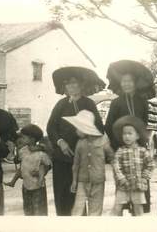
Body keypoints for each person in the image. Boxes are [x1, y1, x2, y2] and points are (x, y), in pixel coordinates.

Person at [47, 66, 105, 216]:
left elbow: (99, 128)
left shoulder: (88, 104)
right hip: (62, 157)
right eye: (68, 83)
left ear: (81, 85)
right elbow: (51, 128)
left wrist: (85, 133)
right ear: (65, 87)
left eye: (75, 83)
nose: (72, 86)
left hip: (82, 158)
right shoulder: (61, 105)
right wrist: (60, 142)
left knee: (79, 197)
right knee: (61, 193)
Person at [105, 60, 155, 214]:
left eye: (129, 81)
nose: (126, 84)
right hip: (121, 147)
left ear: (135, 83)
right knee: (122, 183)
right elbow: (108, 125)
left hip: (138, 148)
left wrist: (140, 141)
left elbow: (144, 123)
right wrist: (117, 144)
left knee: (140, 182)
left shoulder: (143, 102)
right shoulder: (116, 102)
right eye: (123, 81)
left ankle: (138, 212)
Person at [61, 110, 114, 216]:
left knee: (96, 208)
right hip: (82, 181)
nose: (76, 131)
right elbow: (76, 164)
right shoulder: (80, 143)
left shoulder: (103, 141)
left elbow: (112, 158)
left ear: (85, 128)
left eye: (78, 128)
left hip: (98, 181)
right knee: (77, 208)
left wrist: (117, 173)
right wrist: (74, 181)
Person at [111, 115, 154, 216]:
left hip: (138, 185)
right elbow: (116, 166)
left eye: (130, 133)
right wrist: (121, 178)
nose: (127, 136)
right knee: (117, 207)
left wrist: (144, 177)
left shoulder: (143, 151)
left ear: (137, 136)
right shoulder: (120, 151)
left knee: (138, 208)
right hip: (123, 186)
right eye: (124, 134)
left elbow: (151, 164)